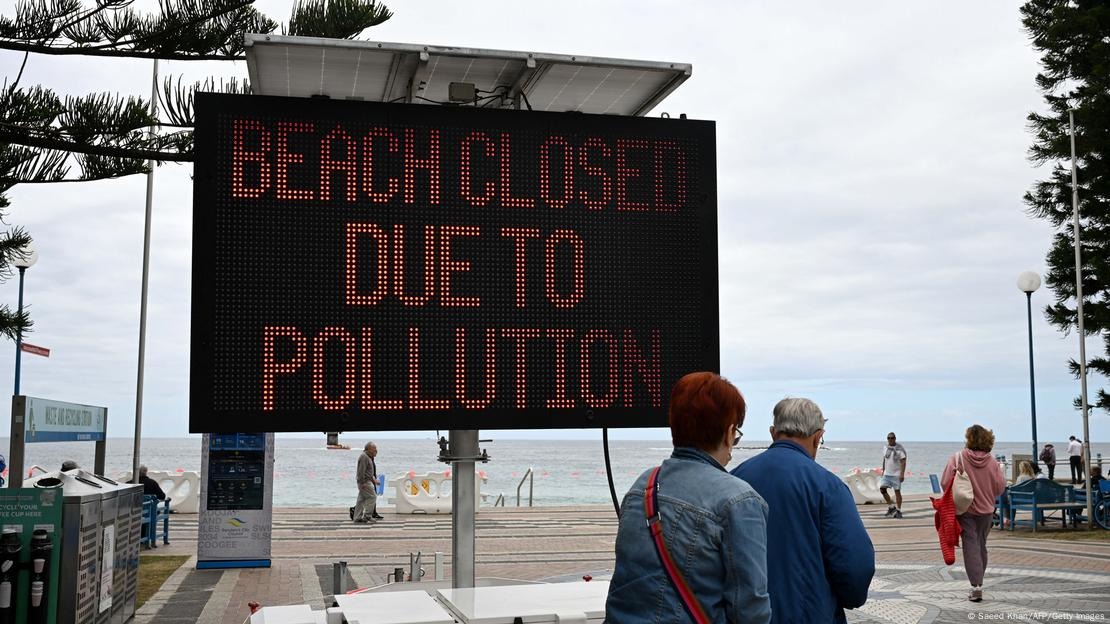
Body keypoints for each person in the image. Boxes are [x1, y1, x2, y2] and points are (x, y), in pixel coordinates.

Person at [605, 372, 771, 623]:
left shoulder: (644, 484)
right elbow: (750, 607)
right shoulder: (739, 501)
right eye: (736, 432)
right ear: (728, 432)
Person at [732, 398, 874, 623]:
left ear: (773, 433)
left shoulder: (735, 478)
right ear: (818, 437)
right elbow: (856, 565)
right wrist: (849, 597)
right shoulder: (829, 487)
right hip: (810, 614)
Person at [940, 424, 1006, 603]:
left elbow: (945, 483)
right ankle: (979, 582)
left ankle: (976, 586)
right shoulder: (993, 463)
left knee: (970, 546)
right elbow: (1000, 488)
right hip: (986, 511)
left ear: (968, 438)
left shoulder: (958, 458)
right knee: (981, 544)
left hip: (965, 509)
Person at [351, 442, 382, 524]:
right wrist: (362, 483)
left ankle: (357, 517)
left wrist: (374, 481)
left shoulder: (368, 457)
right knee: (372, 497)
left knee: (361, 499)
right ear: (368, 449)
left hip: (367, 481)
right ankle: (367, 516)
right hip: (365, 482)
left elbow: (368, 472)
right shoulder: (364, 457)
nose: (376, 451)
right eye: (374, 449)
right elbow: (361, 471)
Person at [879, 432, 907, 518]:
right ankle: (891, 507)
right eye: (888, 438)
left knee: (897, 492)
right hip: (887, 474)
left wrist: (902, 474)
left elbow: (903, 462)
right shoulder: (885, 448)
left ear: (895, 438)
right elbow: (884, 459)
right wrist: (883, 470)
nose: (890, 439)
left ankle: (898, 510)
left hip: (896, 474)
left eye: (892, 438)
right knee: (882, 489)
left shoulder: (899, 449)